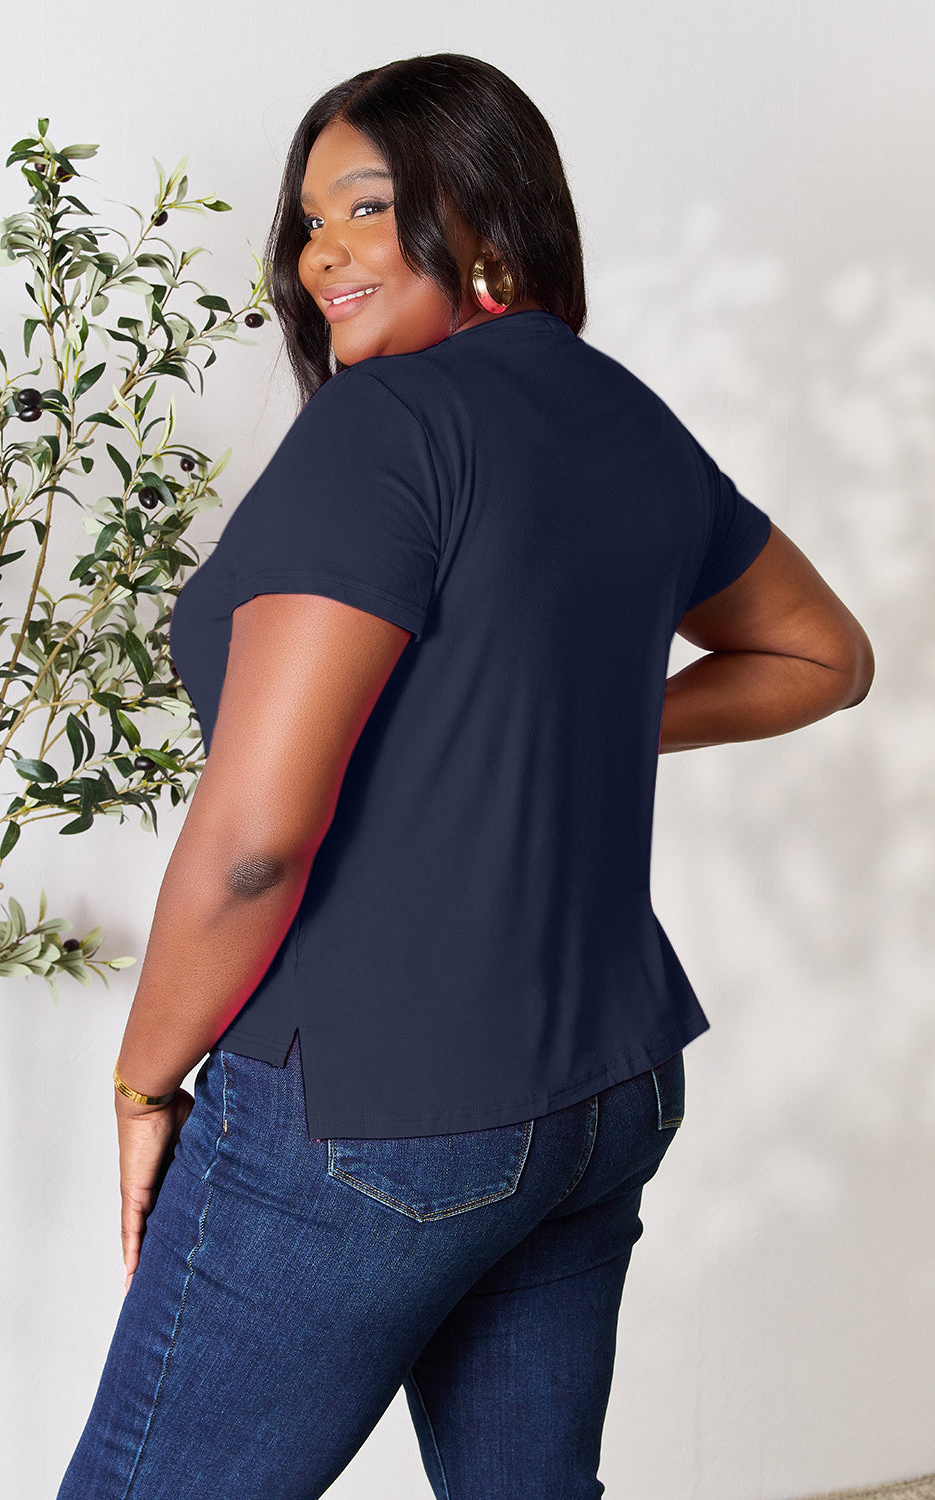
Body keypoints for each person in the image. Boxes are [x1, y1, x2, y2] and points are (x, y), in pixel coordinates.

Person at [56, 52, 874, 1500]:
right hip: (603, 1096)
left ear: (482, 216)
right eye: (309, 223)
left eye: (365, 208)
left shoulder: (386, 431)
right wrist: (565, 722)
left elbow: (254, 843)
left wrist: (142, 1082)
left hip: (373, 1118)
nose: (322, 256)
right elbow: (822, 655)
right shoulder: (620, 415)